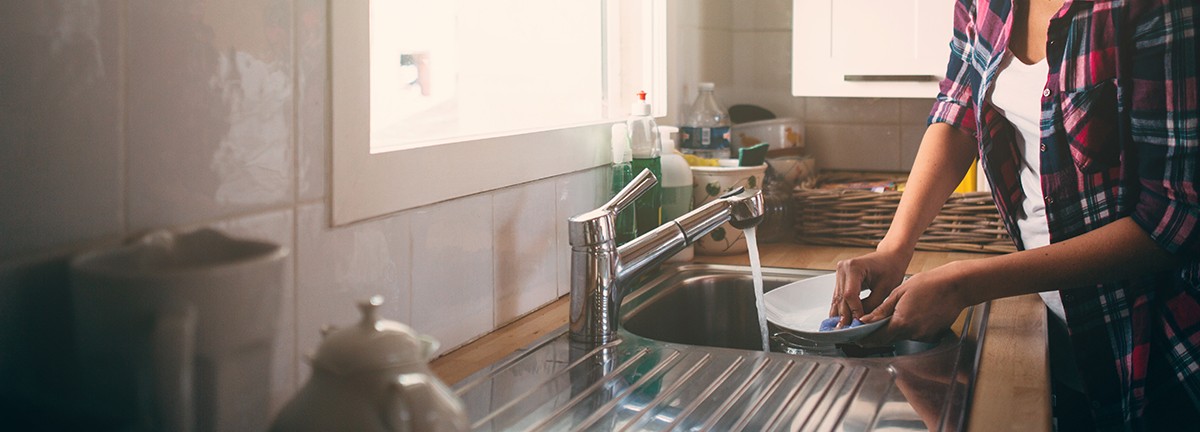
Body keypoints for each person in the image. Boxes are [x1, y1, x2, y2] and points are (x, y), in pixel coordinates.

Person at [827, 0, 1200, 429]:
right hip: (1058, 322)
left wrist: (967, 283)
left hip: (1161, 344)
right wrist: (893, 249)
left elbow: (1173, 220)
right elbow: (958, 109)